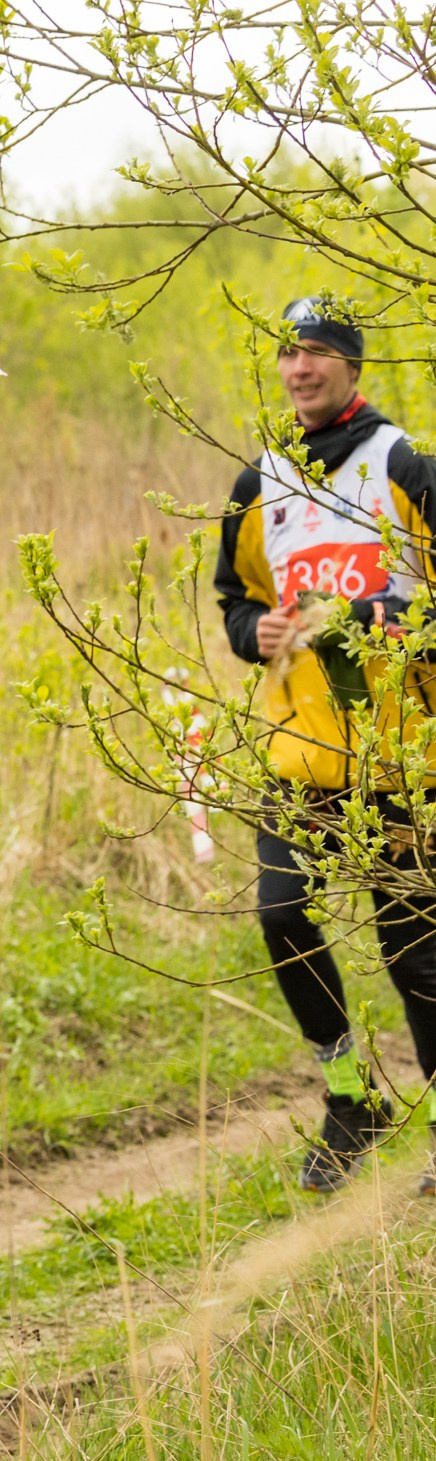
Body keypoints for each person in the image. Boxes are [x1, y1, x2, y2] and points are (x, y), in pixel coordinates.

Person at [215, 297, 436, 1196]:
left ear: (351, 366)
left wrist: (369, 616)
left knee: (414, 947)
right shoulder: (257, 482)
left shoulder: (406, 466)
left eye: (318, 354)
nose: (300, 369)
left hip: (400, 753)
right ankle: (351, 1099)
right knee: (281, 916)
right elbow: (236, 601)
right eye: (289, 355)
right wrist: (254, 634)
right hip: (298, 750)